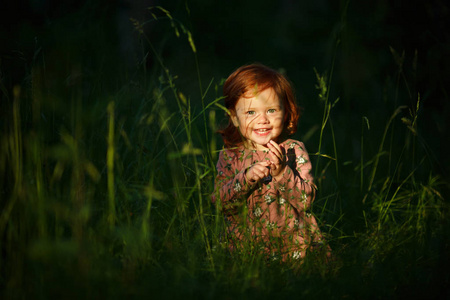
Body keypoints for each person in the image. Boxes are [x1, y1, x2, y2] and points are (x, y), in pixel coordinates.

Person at [212, 63, 329, 262]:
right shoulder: (231, 155)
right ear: (234, 117)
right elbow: (220, 204)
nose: (263, 120)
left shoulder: (293, 150)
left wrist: (282, 172)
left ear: (286, 112)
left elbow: (305, 201)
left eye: (272, 110)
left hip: (293, 249)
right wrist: (246, 178)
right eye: (251, 112)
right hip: (245, 250)